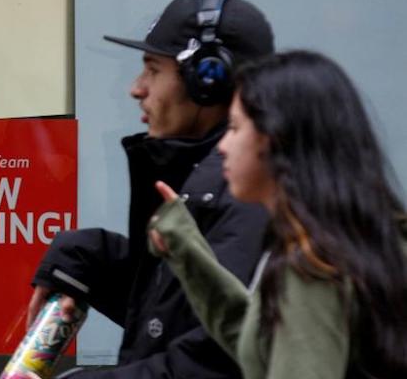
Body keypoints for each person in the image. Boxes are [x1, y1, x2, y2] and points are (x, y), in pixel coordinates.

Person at [27, 0, 275, 378]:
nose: (135, 88)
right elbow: (169, 313)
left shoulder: (248, 195)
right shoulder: (203, 177)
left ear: (207, 82)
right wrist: (85, 256)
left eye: (153, 70)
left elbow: (211, 363)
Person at [149, 50, 407, 378]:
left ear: (274, 138)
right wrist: (186, 251)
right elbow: (265, 346)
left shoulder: (312, 267)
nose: (223, 146)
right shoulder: (371, 245)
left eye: (235, 127)